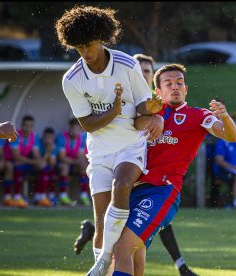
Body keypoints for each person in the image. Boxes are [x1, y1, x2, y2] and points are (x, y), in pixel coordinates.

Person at [55, 6, 164, 275]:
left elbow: (142, 107)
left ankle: (103, 261)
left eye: (89, 45)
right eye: (79, 48)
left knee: (122, 183)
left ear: (102, 38)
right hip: (100, 151)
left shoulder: (127, 65)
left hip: (130, 146)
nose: (86, 53)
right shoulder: (72, 79)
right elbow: (87, 124)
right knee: (101, 223)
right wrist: (113, 111)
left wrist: (151, 108)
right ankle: (103, 262)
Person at [74, 54, 199, 276]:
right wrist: (153, 118)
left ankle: (179, 264)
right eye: (138, 71)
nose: (142, 75)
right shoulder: (122, 96)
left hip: (153, 184)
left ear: (152, 79)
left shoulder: (154, 103)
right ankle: (98, 245)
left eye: (147, 72)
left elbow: (153, 115)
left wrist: (156, 117)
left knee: (129, 245)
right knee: (121, 242)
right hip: (116, 169)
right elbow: (130, 121)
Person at [112, 63, 236, 276]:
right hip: (132, 190)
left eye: (179, 83)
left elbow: (230, 135)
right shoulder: (147, 113)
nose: (175, 87)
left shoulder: (199, 116)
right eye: (169, 84)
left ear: (186, 89)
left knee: (123, 247)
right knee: (134, 254)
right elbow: (131, 123)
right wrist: (154, 118)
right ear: (158, 91)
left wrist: (224, 116)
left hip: (162, 191)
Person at [3, 115, 45, 208]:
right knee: (14, 165)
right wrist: (34, 162)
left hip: (24, 161)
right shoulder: (15, 134)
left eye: (31, 126)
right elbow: (16, 156)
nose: (28, 128)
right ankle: (11, 197)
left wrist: (39, 162)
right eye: (26, 125)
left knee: (43, 166)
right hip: (10, 160)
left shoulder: (34, 136)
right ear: (22, 125)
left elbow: (36, 155)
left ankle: (39, 197)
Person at [56, 118, 90, 206]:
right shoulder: (62, 137)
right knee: (65, 166)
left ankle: (84, 196)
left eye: (77, 129)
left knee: (84, 166)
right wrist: (76, 161)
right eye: (73, 129)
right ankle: (63, 196)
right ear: (69, 129)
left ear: (80, 129)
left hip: (75, 163)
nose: (75, 131)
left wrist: (77, 161)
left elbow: (81, 156)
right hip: (62, 164)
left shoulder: (83, 137)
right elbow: (62, 157)